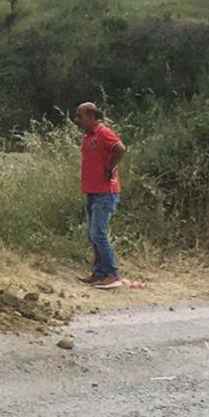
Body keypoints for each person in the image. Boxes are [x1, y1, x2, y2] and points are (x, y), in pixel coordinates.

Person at [75, 102, 127, 289]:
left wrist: (110, 167)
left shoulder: (103, 132)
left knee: (98, 232)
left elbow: (120, 148)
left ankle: (112, 274)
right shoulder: (88, 136)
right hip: (93, 191)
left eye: (80, 116)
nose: (77, 120)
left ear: (91, 115)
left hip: (106, 192)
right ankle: (99, 272)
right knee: (92, 234)